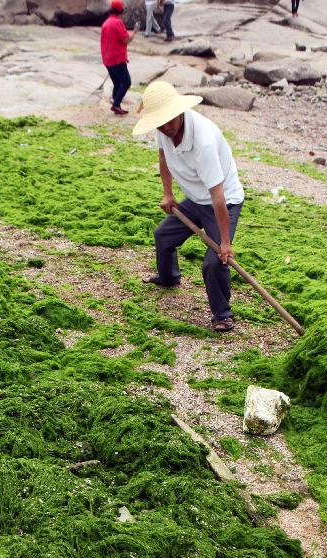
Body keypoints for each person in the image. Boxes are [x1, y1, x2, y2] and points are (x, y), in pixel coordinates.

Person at [133, 81, 244, 333]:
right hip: (195, 198)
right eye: (159, 122)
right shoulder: (164, 130)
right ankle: (169, 277)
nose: (165, 127)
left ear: (179, 110)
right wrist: (168, 193)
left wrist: (225, 243)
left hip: (224, 200)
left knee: (214, 262)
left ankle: (222, 315)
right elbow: (163, 157)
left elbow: (218, 196)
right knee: (163, 236)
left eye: (168, 120)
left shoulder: (203, 141)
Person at [100, 0, 136, 116]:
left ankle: (116, 104)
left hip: (107, 59)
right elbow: (126, 39)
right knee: (126, 82)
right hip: (117, 59)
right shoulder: (117, 22)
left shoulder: (106, 23)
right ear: (119, 10)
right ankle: (115, 105)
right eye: (122, 8)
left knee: (117, 82)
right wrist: (135, 32)